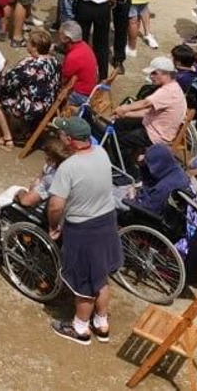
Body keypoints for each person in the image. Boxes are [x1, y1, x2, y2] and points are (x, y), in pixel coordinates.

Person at [47, 115, 122, 345]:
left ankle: (80, 328)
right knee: (101, 277)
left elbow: (56, 205)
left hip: (83, 229)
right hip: (107, 221)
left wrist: (53, 226)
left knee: (83, 283)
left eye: (61, 134)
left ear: (68, 139)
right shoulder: (101, 153)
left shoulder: (68, 167)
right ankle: (101, 323)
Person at [108, 56, 187, 167]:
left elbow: (145, 103)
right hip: (154, 125)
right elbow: (148, 112)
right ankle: (120, 158)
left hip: (156, 135)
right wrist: (125, 114)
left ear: (165, 74)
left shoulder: (167, 91)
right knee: (121, 123)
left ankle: (128, 170)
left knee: (121, 141)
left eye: (154, 73)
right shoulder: (172, 87)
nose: (151, 76)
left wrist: (125, 108)